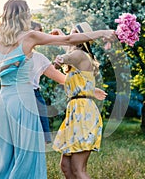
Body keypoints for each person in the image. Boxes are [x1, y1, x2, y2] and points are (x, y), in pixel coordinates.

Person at [0, 0, 115, 179]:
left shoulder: (1, 42)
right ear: (23, 16)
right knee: (26, 152)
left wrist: (8, 62)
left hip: (4, 100)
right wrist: (102, 32)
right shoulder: (30, 36)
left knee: (3, 152)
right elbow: (69, 39)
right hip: (22, 100)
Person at [30, 21, 107, 144]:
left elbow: (65, 72)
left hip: (34, 97)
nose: (41, 36)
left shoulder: (40, 58)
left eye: (41, 32)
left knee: (37, 142)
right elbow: (71, 46)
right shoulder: (13, 52)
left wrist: (89, 89)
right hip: (14, 97)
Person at [52, 22, 104, 179]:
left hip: (83, 112)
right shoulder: (79, 55)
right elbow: (69, 45)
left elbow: (65, 56)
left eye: (74, 33)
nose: (70, 36)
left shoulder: (80, 56)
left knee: (77, 169)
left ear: (82, 39)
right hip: (76, 112)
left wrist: (58, 60)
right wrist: (60, 34)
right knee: (66, 167)